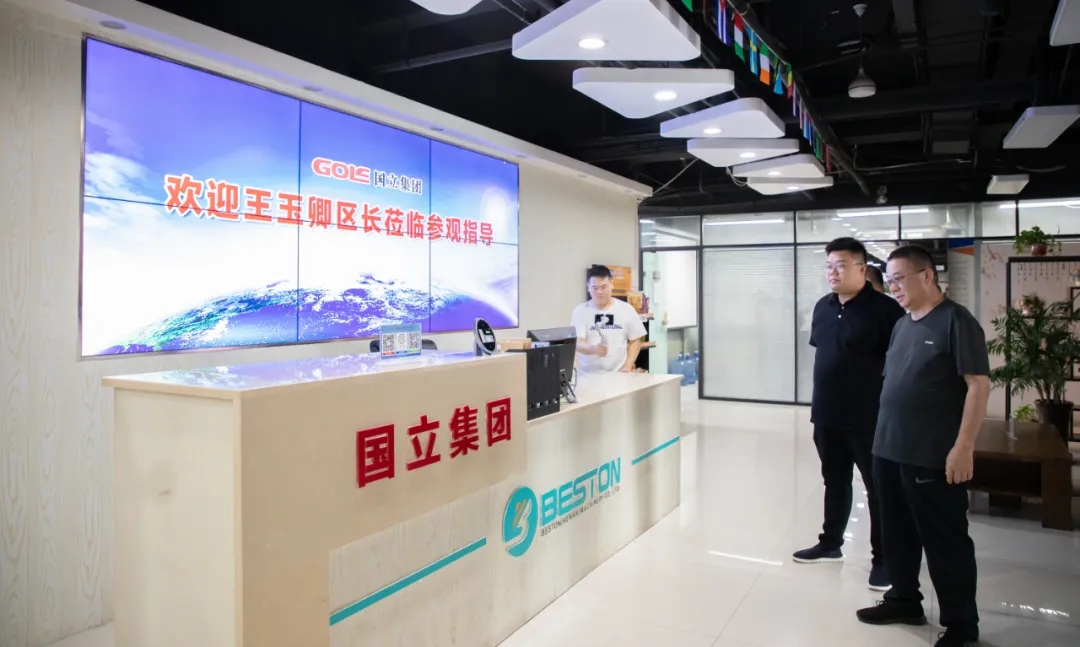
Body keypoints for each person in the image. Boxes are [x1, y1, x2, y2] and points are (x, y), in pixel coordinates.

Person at [856, 245, 990, 647]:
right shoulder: (903, 324)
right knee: (896, 532)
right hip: (888, 448)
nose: (893, 287)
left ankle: (962, 624)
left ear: (927, 276)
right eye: (889, 281)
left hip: (931, 454)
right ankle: (904, 599)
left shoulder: (957, 321)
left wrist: (964, 446)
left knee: (945, 539)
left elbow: (978, 386)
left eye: (900, 279)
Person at [794, 237, 904, 592]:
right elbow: (825, 353)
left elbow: (900, 363)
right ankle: (830, 544)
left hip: (870, 418)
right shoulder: (823, 307)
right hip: (827, 414)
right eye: (829, 266)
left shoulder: (886, 311)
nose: (833, 272)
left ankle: (884, 559)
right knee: (834, 481)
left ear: (862, 268)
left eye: (840, 265)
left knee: (878, 489)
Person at [572, 265, 647, 373]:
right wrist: (593, 349)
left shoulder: (626, 309)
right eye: (595, 288)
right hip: (588, 375)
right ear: (588, 287)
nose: (599, 292)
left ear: (612, 284)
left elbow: (635, 341)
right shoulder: (580, 311)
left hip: (618, 374)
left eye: (603, 287)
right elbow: (578, 343)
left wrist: (627, 366)